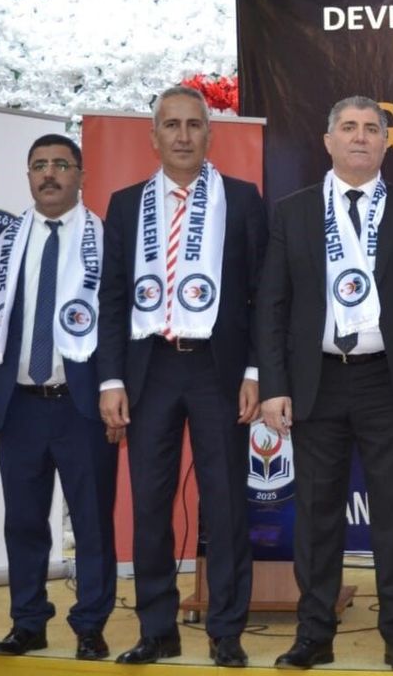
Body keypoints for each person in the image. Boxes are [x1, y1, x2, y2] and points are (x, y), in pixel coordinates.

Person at [257, 96, 393, 671]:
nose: (360, 137)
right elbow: (271, 304)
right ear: (328, 141)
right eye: (349, 127)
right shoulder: (293, 212)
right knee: (317, 516)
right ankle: (314, 634)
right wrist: (273, 384)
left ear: (386, 143)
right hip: (315, 383)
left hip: (389, 384)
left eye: (371, 129)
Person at [97, 86, 267, 667]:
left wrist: (254, 370)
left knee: (226, 504)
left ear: (209, 134)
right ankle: (157, 630)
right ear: (154, 137)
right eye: (171, 125)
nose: (183, 135)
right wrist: (110, 380)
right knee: (150, 504)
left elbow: (261, 294)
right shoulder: (126, 206)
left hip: (219, 369)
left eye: (194, 124)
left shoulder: (241, 200)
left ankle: (227, 631)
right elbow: (112, 300)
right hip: (150, 369)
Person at [0, 134, 117, 661]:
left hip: (83, 406)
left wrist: (115, 393)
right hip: (21, 407)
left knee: (93, 523)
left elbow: (117, 327)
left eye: (60, 164)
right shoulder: (1, 243)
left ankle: (90, 625)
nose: (49, 174)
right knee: (24, 523)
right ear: (29, 176)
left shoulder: (107, 239)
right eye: (39, 166)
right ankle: (28, 622)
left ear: (81, 175)